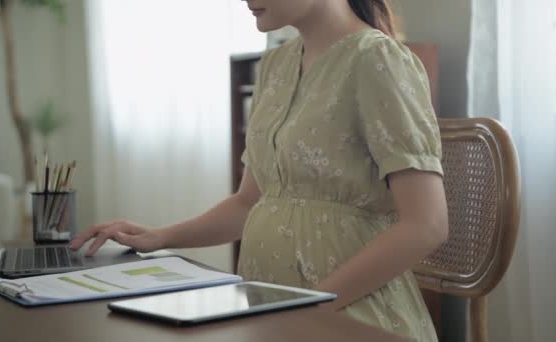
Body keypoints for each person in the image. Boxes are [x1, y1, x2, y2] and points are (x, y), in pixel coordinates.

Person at [71, 1, 448, 340]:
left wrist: (311, 306)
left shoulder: (378, 60)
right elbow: (249, 202)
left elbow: (426, 225)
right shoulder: (274, 66)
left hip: (348, 317)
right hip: (273, 314)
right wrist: (159, 237)